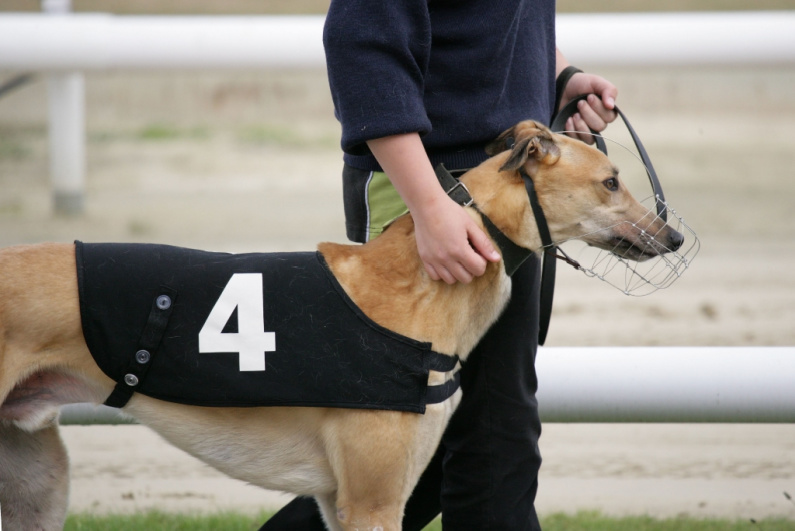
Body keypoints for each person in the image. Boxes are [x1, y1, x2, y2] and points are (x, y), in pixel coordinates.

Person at [262, 1, 618, 529]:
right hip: (435, 183)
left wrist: (555, 74)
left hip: (505, 182)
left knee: (465, 432)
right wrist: (431, 207)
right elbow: (359, 43)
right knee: (489, 437)